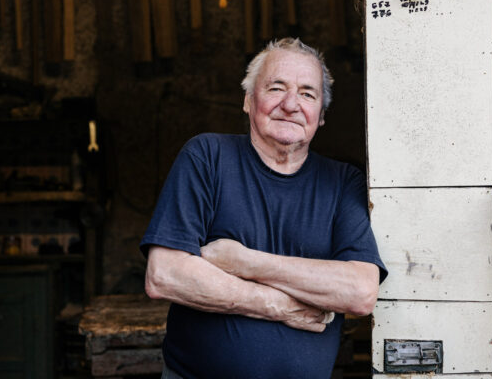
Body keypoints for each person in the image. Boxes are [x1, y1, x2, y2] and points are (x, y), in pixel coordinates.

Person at [140, 38, 387, 379]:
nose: (291, 104)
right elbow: (165, 275)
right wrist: (279, 306)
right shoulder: (207, 157)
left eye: (307, 94)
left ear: (321, 115)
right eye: (276, 88)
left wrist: (242, 261)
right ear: (248, 100)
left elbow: (360, 291)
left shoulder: (343, 182)